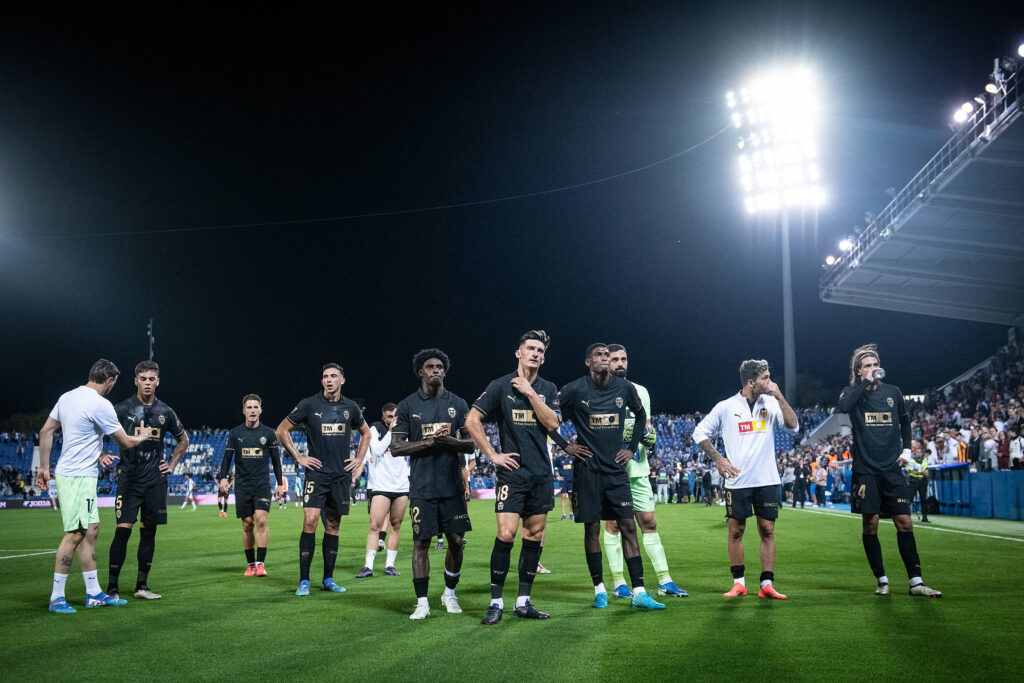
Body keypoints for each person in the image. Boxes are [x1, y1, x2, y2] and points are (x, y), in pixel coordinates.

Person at [557, 343, 665, 611]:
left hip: (617, 471)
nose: (605, 359)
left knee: (628, 527)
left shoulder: (624, 388)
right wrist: (565, 445)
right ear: (588, 362)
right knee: (592, 528)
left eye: (608, 355)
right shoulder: (574, 390)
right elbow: (548, 417)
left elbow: (641, 417)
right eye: (600, 355)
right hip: (588, 471)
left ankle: (639, 591)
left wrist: (630, 449)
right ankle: (600, 589)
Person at [36, 359, 149, 613]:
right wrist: (141, 436)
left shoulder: (67, 397)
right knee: (75, 533)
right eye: (113, 383)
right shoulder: (101, 404)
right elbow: (126, 442)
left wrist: (44, 467)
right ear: (110, 381)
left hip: (77, 474)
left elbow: (46, 431)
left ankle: (94, 593)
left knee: (91, 530)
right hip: (77, 477)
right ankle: (56, 598)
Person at [466, 330, 561, 625]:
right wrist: (493, 455)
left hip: (541, 475)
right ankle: (495, 602)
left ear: (543, 358)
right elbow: (472, 420)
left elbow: (553, 424)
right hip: (512, 474)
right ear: (518, 353)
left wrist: (531, 393)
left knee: (533, 537)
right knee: (506, 534)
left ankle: (523, 601)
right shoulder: (499, 386)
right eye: (530, 348)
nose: (535, 353)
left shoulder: (548, 388)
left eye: (540, 350)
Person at [837, 344, 941, 597]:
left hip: (892, 469)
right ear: (859, 371)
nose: (874, 369)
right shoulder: (851, 393)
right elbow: (844, 408)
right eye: (868, 366)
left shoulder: (894, 392)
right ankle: (881, 579)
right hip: (865, 470)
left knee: (904, 522)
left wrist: (907, 450)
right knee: (870, 524)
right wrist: (863, 383)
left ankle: (916, 582)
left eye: (876, 364)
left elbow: (905, 422)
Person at [693, 359, 798, 600]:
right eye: (765, 378)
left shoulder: (771, 402)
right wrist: (719, 459)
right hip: (737, 481)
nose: (770, 382)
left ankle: (767, 584)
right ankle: (739, 583)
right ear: (751, 381)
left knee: (767, 529)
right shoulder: (726, 406)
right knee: (736, 531)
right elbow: (699, 432)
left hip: (767, 479)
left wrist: (780, 396)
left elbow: (793, 426)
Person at [390, 348, 475, 620]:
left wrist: (450, 442)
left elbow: (472, 443)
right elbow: (395, 447)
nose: (435, 370)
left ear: (444, 371)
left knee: (457, 541)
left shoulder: (459, 404)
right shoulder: (407, 405)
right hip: (422, 488)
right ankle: (422, 602)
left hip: (452, 487)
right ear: (420, 371)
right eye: (430, 367)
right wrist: (429, 442)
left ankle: (449, 593)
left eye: (439, 367)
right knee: (421, 543)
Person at [601, 344, 687, 600]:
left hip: (638, 468)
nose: (619, 363)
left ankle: (665, 580)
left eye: (623, 358)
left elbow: (647, 427)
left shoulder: (640, 392)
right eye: (614, 359)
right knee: (614, 526)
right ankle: (619, 583)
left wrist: (649, 436)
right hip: (611, 471)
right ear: (606, 362)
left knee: (649, 522)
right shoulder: (598, 392)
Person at [277, 363, 371, 596]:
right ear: (322, 382)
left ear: (342, 380)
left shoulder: (351, 407)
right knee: (310, 519)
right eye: (325, 377)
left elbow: (366, 432)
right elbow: (281, 430)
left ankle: (328, 579)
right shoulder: (309, 404)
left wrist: (358, 459)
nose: (329, 380)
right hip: (317, 474)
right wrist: (299, 457)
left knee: (333, 525)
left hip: (340, 475)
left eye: (333, 376)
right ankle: (304, 581)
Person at [106, 360, 190, 601]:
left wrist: (172, 465)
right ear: (135, 381)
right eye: (143, 379)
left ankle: (142, 586)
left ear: (158, 382)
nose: (147, 383)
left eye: (152, 379)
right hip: (129, 479)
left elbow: (183, 440)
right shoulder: (121, 409)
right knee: (123, 531)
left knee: (149, 532)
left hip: (155, 480)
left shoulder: (166, 412)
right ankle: (112, 588)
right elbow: (96, 430)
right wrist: (101, 453)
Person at [219, 394, 286, 577]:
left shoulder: (268, 433)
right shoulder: (235, 433)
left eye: (256, 407)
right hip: (242, 485)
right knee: (247, 524)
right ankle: (250, 565)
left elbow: (276, 460)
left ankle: (261, 564)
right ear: (244, 411)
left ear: (260, 410)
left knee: (261, 520)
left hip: (262, 484)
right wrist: (223, 478)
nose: (252, 411)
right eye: (249, 407)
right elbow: (227, 458)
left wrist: (280, 483)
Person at [355, 403, 408, 578]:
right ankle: (368, 566)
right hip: (381, 486)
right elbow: (376, 450)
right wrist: (392, 432)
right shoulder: (375, 429)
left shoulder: (406, 429)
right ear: (383, 418)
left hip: (401, 486)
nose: (393, 419)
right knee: (375, 525)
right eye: (389, 417)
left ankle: (390, 565)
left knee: (396, 526)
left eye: (395, 416)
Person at [906, 444, 929, 523]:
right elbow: (910, 471)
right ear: (914, 454)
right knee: (909, 499)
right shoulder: (911, 461)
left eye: (920, 452)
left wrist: (918, 472)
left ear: (922, 453)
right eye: (917, 452)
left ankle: (925, 517)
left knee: (924, 499)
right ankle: (906, 516)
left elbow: (926, 473)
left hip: (922, 481)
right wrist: (921, 472)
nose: (919, 454)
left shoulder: (924, 462)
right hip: (914, 481)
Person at [553, 444, 574, 520]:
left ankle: (571, 514)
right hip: (563, 481)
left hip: (571, 481)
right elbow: (552, 467)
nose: (564, 451)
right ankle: (564, 515)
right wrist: (556, 476)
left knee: (571, 498)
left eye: (565, 450)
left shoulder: (572, 459)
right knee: (563, 497)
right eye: (563, 450)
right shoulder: (558, 459)